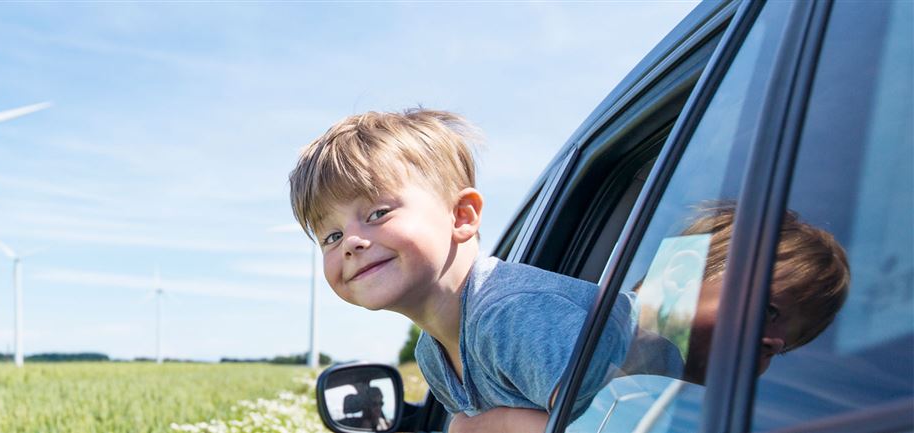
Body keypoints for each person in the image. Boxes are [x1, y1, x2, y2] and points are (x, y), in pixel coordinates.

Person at [288, 109, 637, 432]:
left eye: (378, 214)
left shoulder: (508, 316)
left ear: (462, 216)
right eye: (331, 236)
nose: (351, 241)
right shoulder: (431, 354)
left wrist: (478, 426)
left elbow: (622, 420)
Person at [621, 203, 851, 385]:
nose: (776, 343)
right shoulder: (591, 322)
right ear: (681, 275)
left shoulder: (638, 387)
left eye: (784, 348)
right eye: (767, 311)